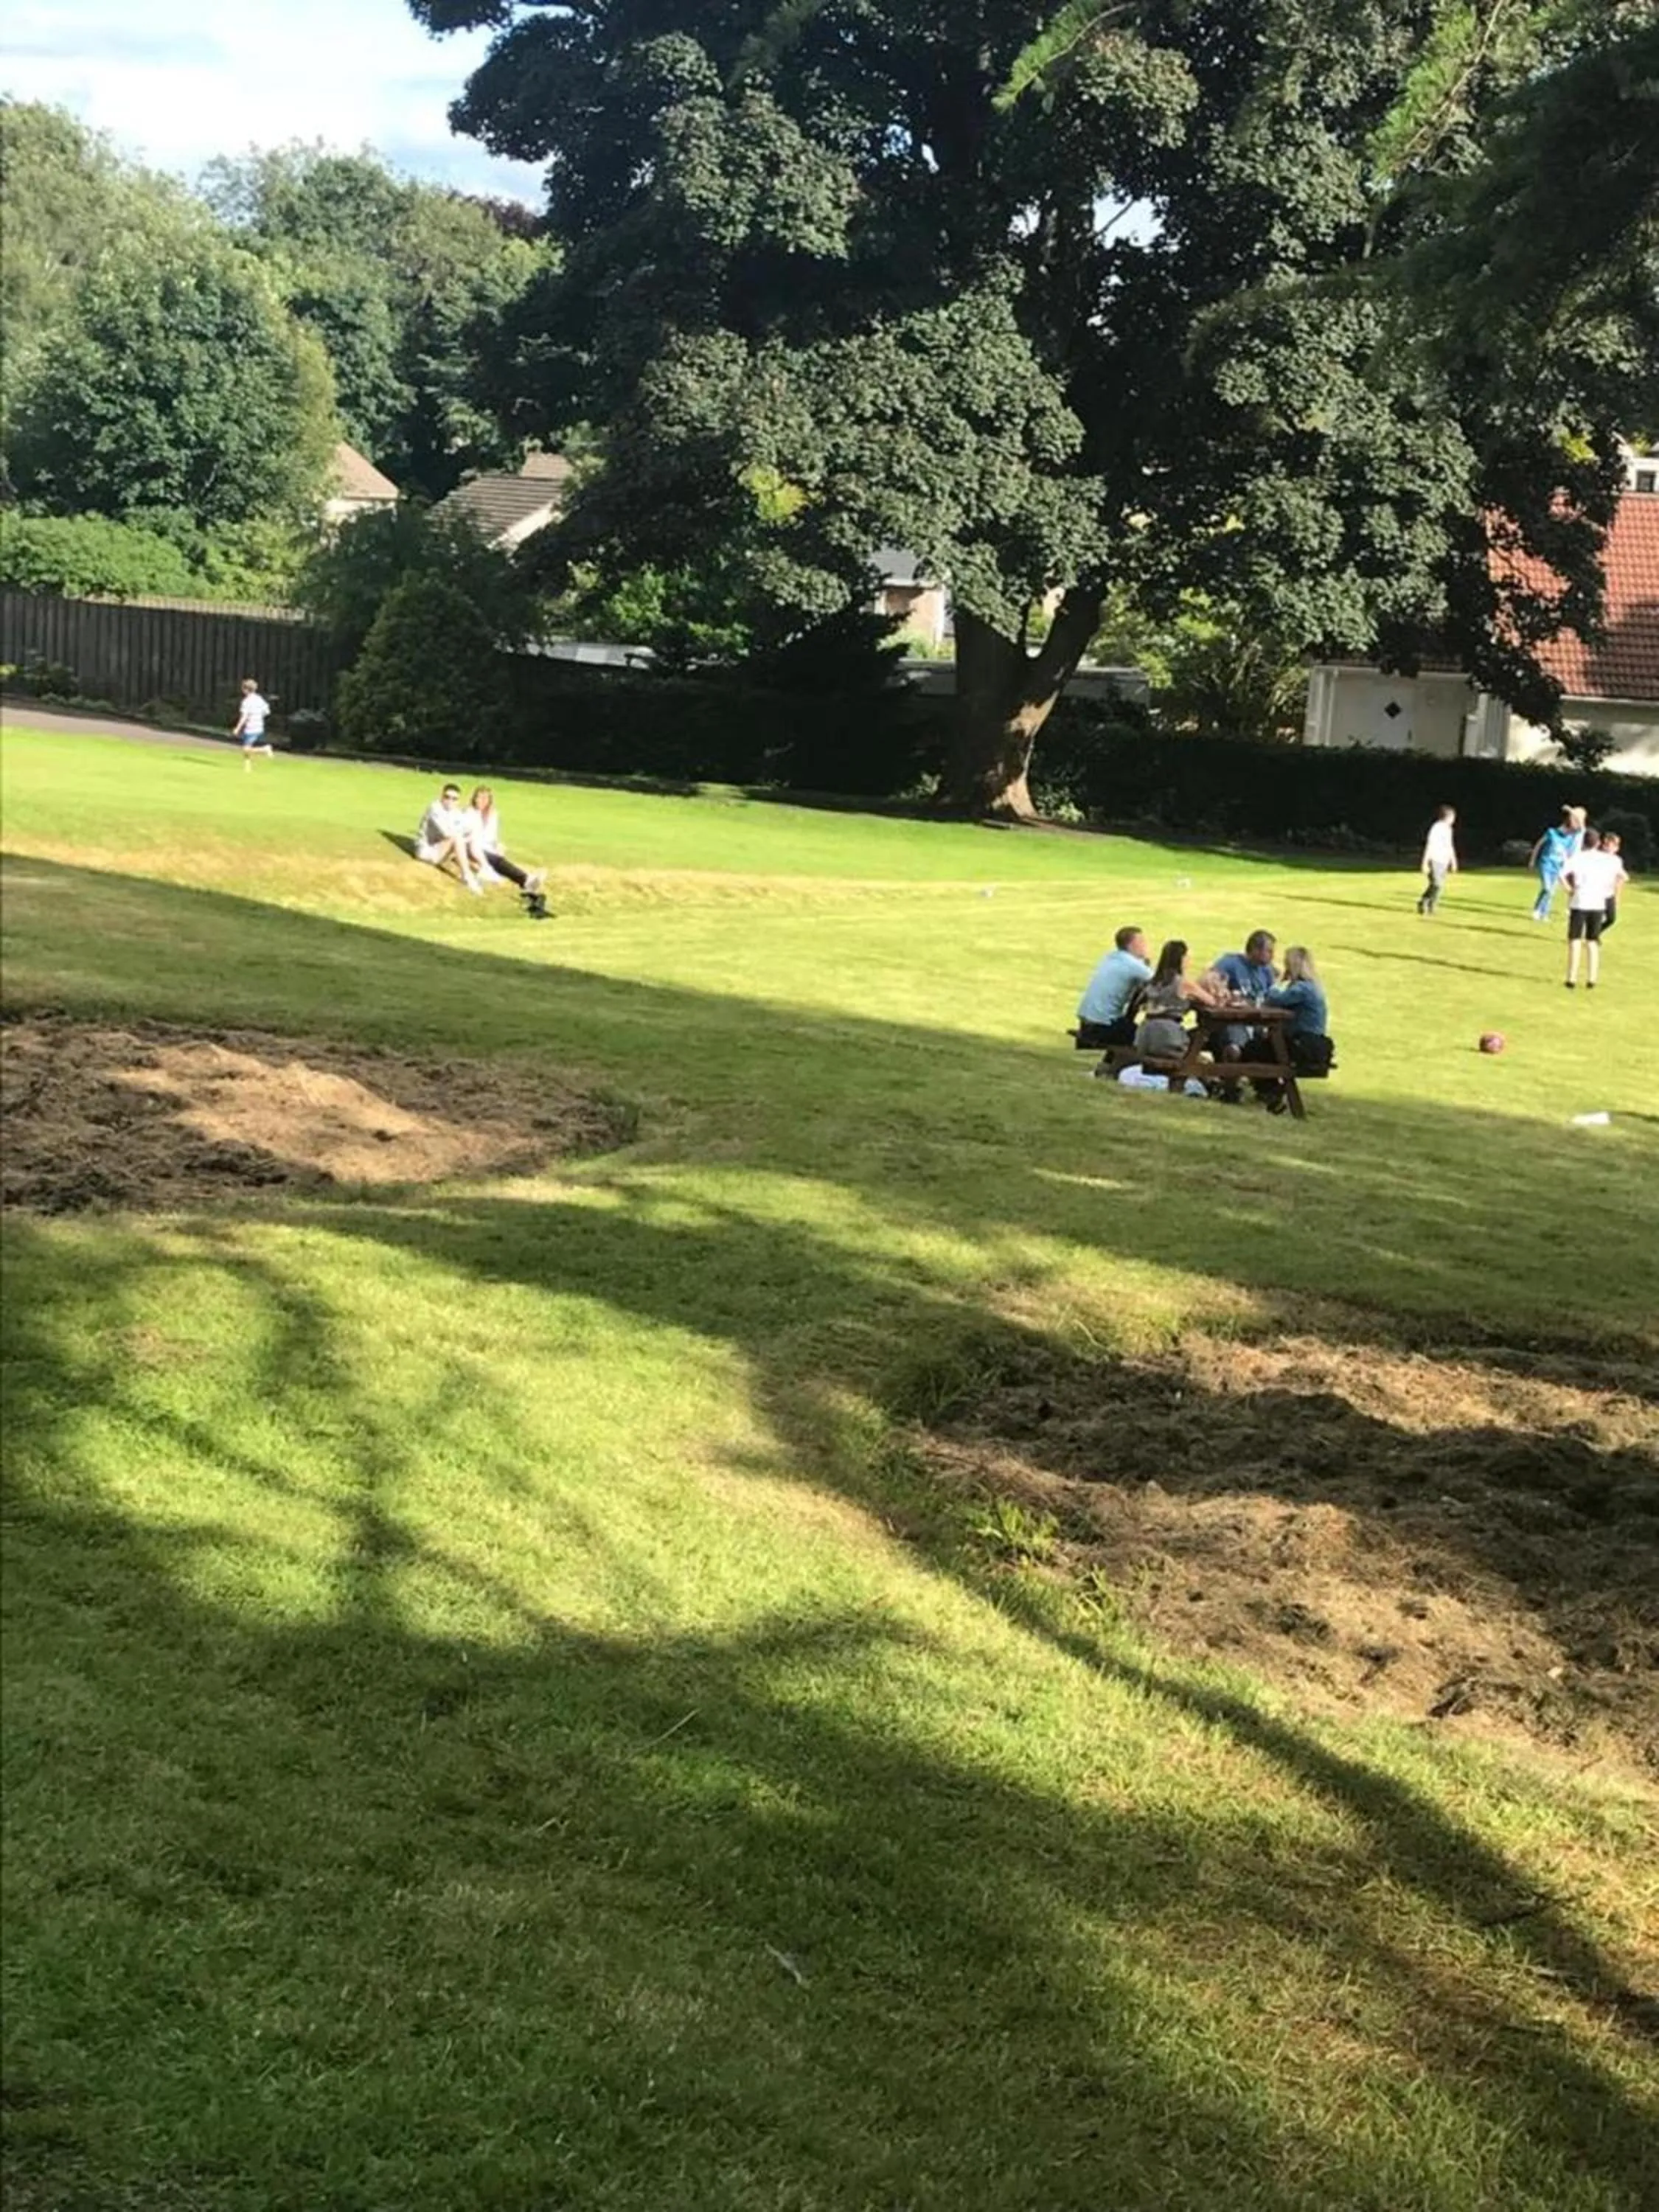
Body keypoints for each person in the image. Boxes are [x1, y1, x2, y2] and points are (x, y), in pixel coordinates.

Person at [1133, 939, 1228, 1068]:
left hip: (1145, 1037)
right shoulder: (1184, 984)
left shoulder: (1153, 982)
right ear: (1181, 959)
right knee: (1201, 1049)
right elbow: (1213, 1002)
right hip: (1168, 1037)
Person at [1261, 946, 1335, 1113]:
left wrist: (1276, 981)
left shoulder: (1302, 990)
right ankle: (1272, 1093)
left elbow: (1274, 999)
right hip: (1311, 1044)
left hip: (1304, 1046)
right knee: (1265, 1047)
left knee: (1255, 1049)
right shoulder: (1313, 987)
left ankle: (1271, 1092)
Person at [1205, 929, 1276, 1090]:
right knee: (1235, 1046)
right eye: (1269, 951)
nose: (1272, 956)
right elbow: (1209, 980)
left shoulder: (1267, 971)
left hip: (1258, 1022)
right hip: (1233, 1021)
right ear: (1255, 950)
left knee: (1274, 1042)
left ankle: (1267, 1090)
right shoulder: (1231, 963)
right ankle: (1230, 1088)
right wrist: (1227, 996)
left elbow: (1272, 997)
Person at [1562, 828, 1627, 990]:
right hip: (1598, 903)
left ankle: (1571, 978)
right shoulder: (1609, 860)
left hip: (1579, 902)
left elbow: (1561, 873)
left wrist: (1569, 890)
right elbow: (1621, 876)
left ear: (1583, 842)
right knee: (1592, 941)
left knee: (1575, 940)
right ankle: (1592, 978)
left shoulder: (1577, 857)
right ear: (1598, 843)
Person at [1076, 925, 1153, 1054]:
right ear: (1131, 945)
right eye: (1142, 942)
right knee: (1148, 1038)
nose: (1146, 945)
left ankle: (1110, 1066)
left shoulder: (1111, 957)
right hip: (1103, 1027)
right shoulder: (1133, 965)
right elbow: (1162, 982)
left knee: (1129, 1027)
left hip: (1087, 1024)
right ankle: (1129, 1070)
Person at [463, 786, 547, 900]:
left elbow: (492, 836)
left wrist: (497, 845)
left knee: (499, 858)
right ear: (474, 799)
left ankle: (526, 880)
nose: (482, 801)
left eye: (485, 799)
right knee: (496, 860)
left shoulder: (493, 815)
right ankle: (526, 879)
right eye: (479, 798)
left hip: (487, 847)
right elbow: (469, 835)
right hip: (474, 847)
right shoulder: (469, 813)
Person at [414, 781, 484, 893]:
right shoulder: (435, 808)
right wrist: (463, 837)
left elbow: (469, 829)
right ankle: (467, 876)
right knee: (457, 838)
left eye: (454, 799)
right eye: (447, 797)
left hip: (441, 849)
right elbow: (447, 834)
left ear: (458, 801)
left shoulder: (455, 812)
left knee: (463, 839)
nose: (450, 801)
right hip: (426, 851)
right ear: (442, 796)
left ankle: (481, 867)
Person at [1528, 804, 1585, 922]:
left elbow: (1581, 827)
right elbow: (1539, 845)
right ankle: (1537, 910)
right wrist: (1532, 860)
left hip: (1558, 866)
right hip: (1546, 864)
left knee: (1552, 891)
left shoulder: (1570, 837)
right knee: (1547, 888)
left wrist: (1572, 812)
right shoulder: (1551, 832)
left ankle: (1544, 914)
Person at [1416, 805, 1458, 914]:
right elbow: (1429, 845)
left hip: (1444, 860)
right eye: (1453, 817)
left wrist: (1453, 861)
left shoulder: (1449, 830)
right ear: (1448, 817)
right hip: (1435, 859)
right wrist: (1425, 862)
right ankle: (1425, 900)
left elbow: (1450, 846)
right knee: (1436, 884)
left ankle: (1431, 904)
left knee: (1439, 886)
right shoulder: (1436, 828)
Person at [233, 678, 274, 771]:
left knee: (246, 749)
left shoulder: (246, 702)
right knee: (247, 746)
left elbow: (244, 717)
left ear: (246, 690)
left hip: (251, 727)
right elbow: (267, 712)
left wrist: (237, 728)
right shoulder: (259, 699)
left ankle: (265, 749)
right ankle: (247, 767)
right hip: (259, 726)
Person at [1599, 830, 1623, 931]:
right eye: (1608, 845)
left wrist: (1617, 896)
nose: (1611, 848)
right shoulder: (1597, 858)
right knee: (1596, 917)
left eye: (1615, 846)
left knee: (1611, 919)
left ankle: (1595, 933)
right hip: (1597, 892)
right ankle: (1592, 937)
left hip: (1609, 893)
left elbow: (1619, 879)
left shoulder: (1617, 861)